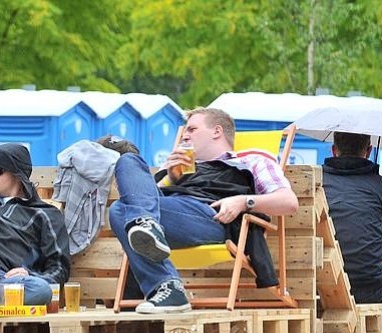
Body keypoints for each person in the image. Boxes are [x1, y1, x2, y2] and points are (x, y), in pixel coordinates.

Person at [108, 107, 299, 313]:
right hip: (173, 214)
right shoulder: (180, 167)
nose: (185, 136)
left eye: (191, 129)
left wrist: (243, 202)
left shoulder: (252, 160)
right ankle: (167, 283)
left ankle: (155, 251)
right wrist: (171, 177)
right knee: (127, 164)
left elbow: (289, 202)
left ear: (216, 131)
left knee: (123, 210)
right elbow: (145, 199)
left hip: (211, 216)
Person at [0, 143, 71, 306]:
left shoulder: (44, 213)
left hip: (4, 281)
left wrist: (31, 275)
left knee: (41, 289)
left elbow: (59, 269)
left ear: (18, 174)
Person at [322, 131, 382, 303]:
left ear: (333, 150)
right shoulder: (378, 185)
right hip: (372, 288)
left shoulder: (317, 183)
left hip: (324, 285)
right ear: (369, 151)